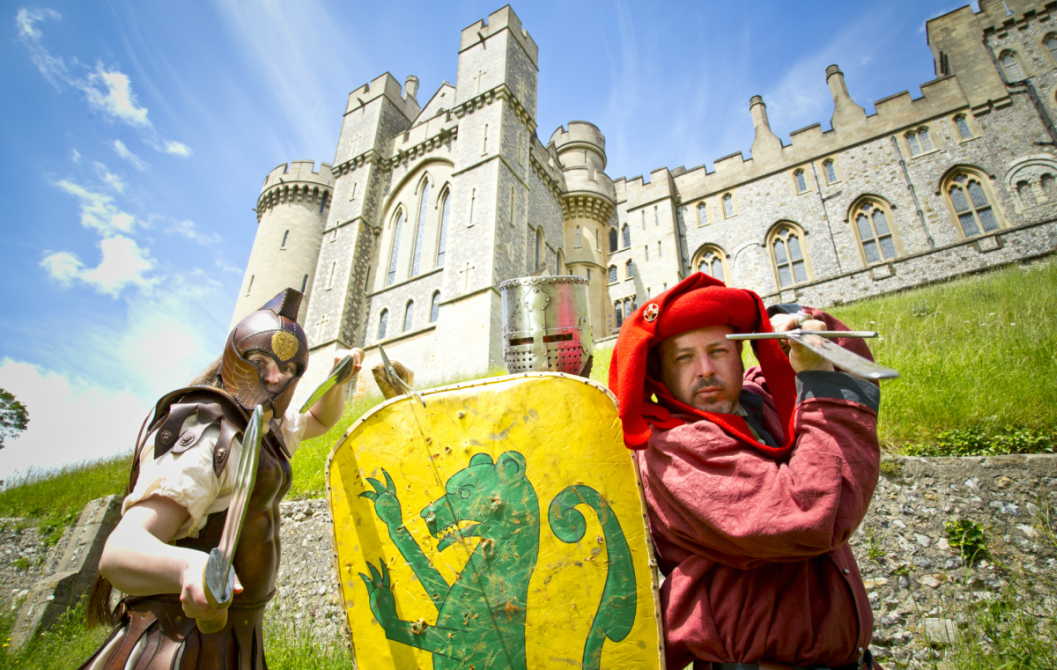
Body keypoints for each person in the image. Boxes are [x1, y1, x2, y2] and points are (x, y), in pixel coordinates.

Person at [608, 273, 882, 670]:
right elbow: (810, 516)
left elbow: (854, 367)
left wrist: (794, 320)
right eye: (684, 357)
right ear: (660, 375)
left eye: (718, 351)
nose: (704, 370)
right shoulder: (675, 448)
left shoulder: (757, 401)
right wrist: (819, 381)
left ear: (741, 356)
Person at [80, 289, 362, 670]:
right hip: (174, 642)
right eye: (260, 361)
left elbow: (319, 421)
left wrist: (337, 379)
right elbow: (120, 553)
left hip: (234, 641)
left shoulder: (264, 427)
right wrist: (187, 568)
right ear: (235, 358)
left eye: (290, 369)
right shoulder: (207, 431)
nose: (276, 377)